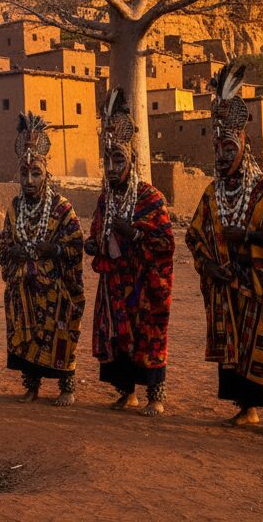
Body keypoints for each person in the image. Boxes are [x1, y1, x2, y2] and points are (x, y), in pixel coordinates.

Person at [186, 63, 263, 437]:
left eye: (228, 147)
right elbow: (194, 236)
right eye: (216, 147)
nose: (221, 155)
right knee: (239, 351)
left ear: (244, 146)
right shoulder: (212, 192)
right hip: (228, 289)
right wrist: (209, 267)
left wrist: (248, 239)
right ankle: (248, 409)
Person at [87, 88, 175, 417]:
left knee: (148, 334)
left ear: (132, 159)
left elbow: (165, 242)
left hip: (143, 284)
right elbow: (97, 228)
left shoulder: (150, 197)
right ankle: (127, 393)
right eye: (107, 159)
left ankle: (155, 395)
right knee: (117, 338)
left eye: (118, 159)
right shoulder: (105, 198)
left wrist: (135, 232)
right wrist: (93, 243)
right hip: (114, 282)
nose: (111, 167)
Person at [0, 112, 87, 406]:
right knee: (27, 337)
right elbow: (4, 243)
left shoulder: (62, 208)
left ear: (46, 173)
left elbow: (76, 246)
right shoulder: (14, 208)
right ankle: (32, 385)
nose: (29, 180)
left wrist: (55, 251)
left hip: (55, 289)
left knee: (60, 332)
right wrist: (13, 253)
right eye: (24, 174)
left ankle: (67, 386)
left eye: (35, 173)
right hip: (24, 289)